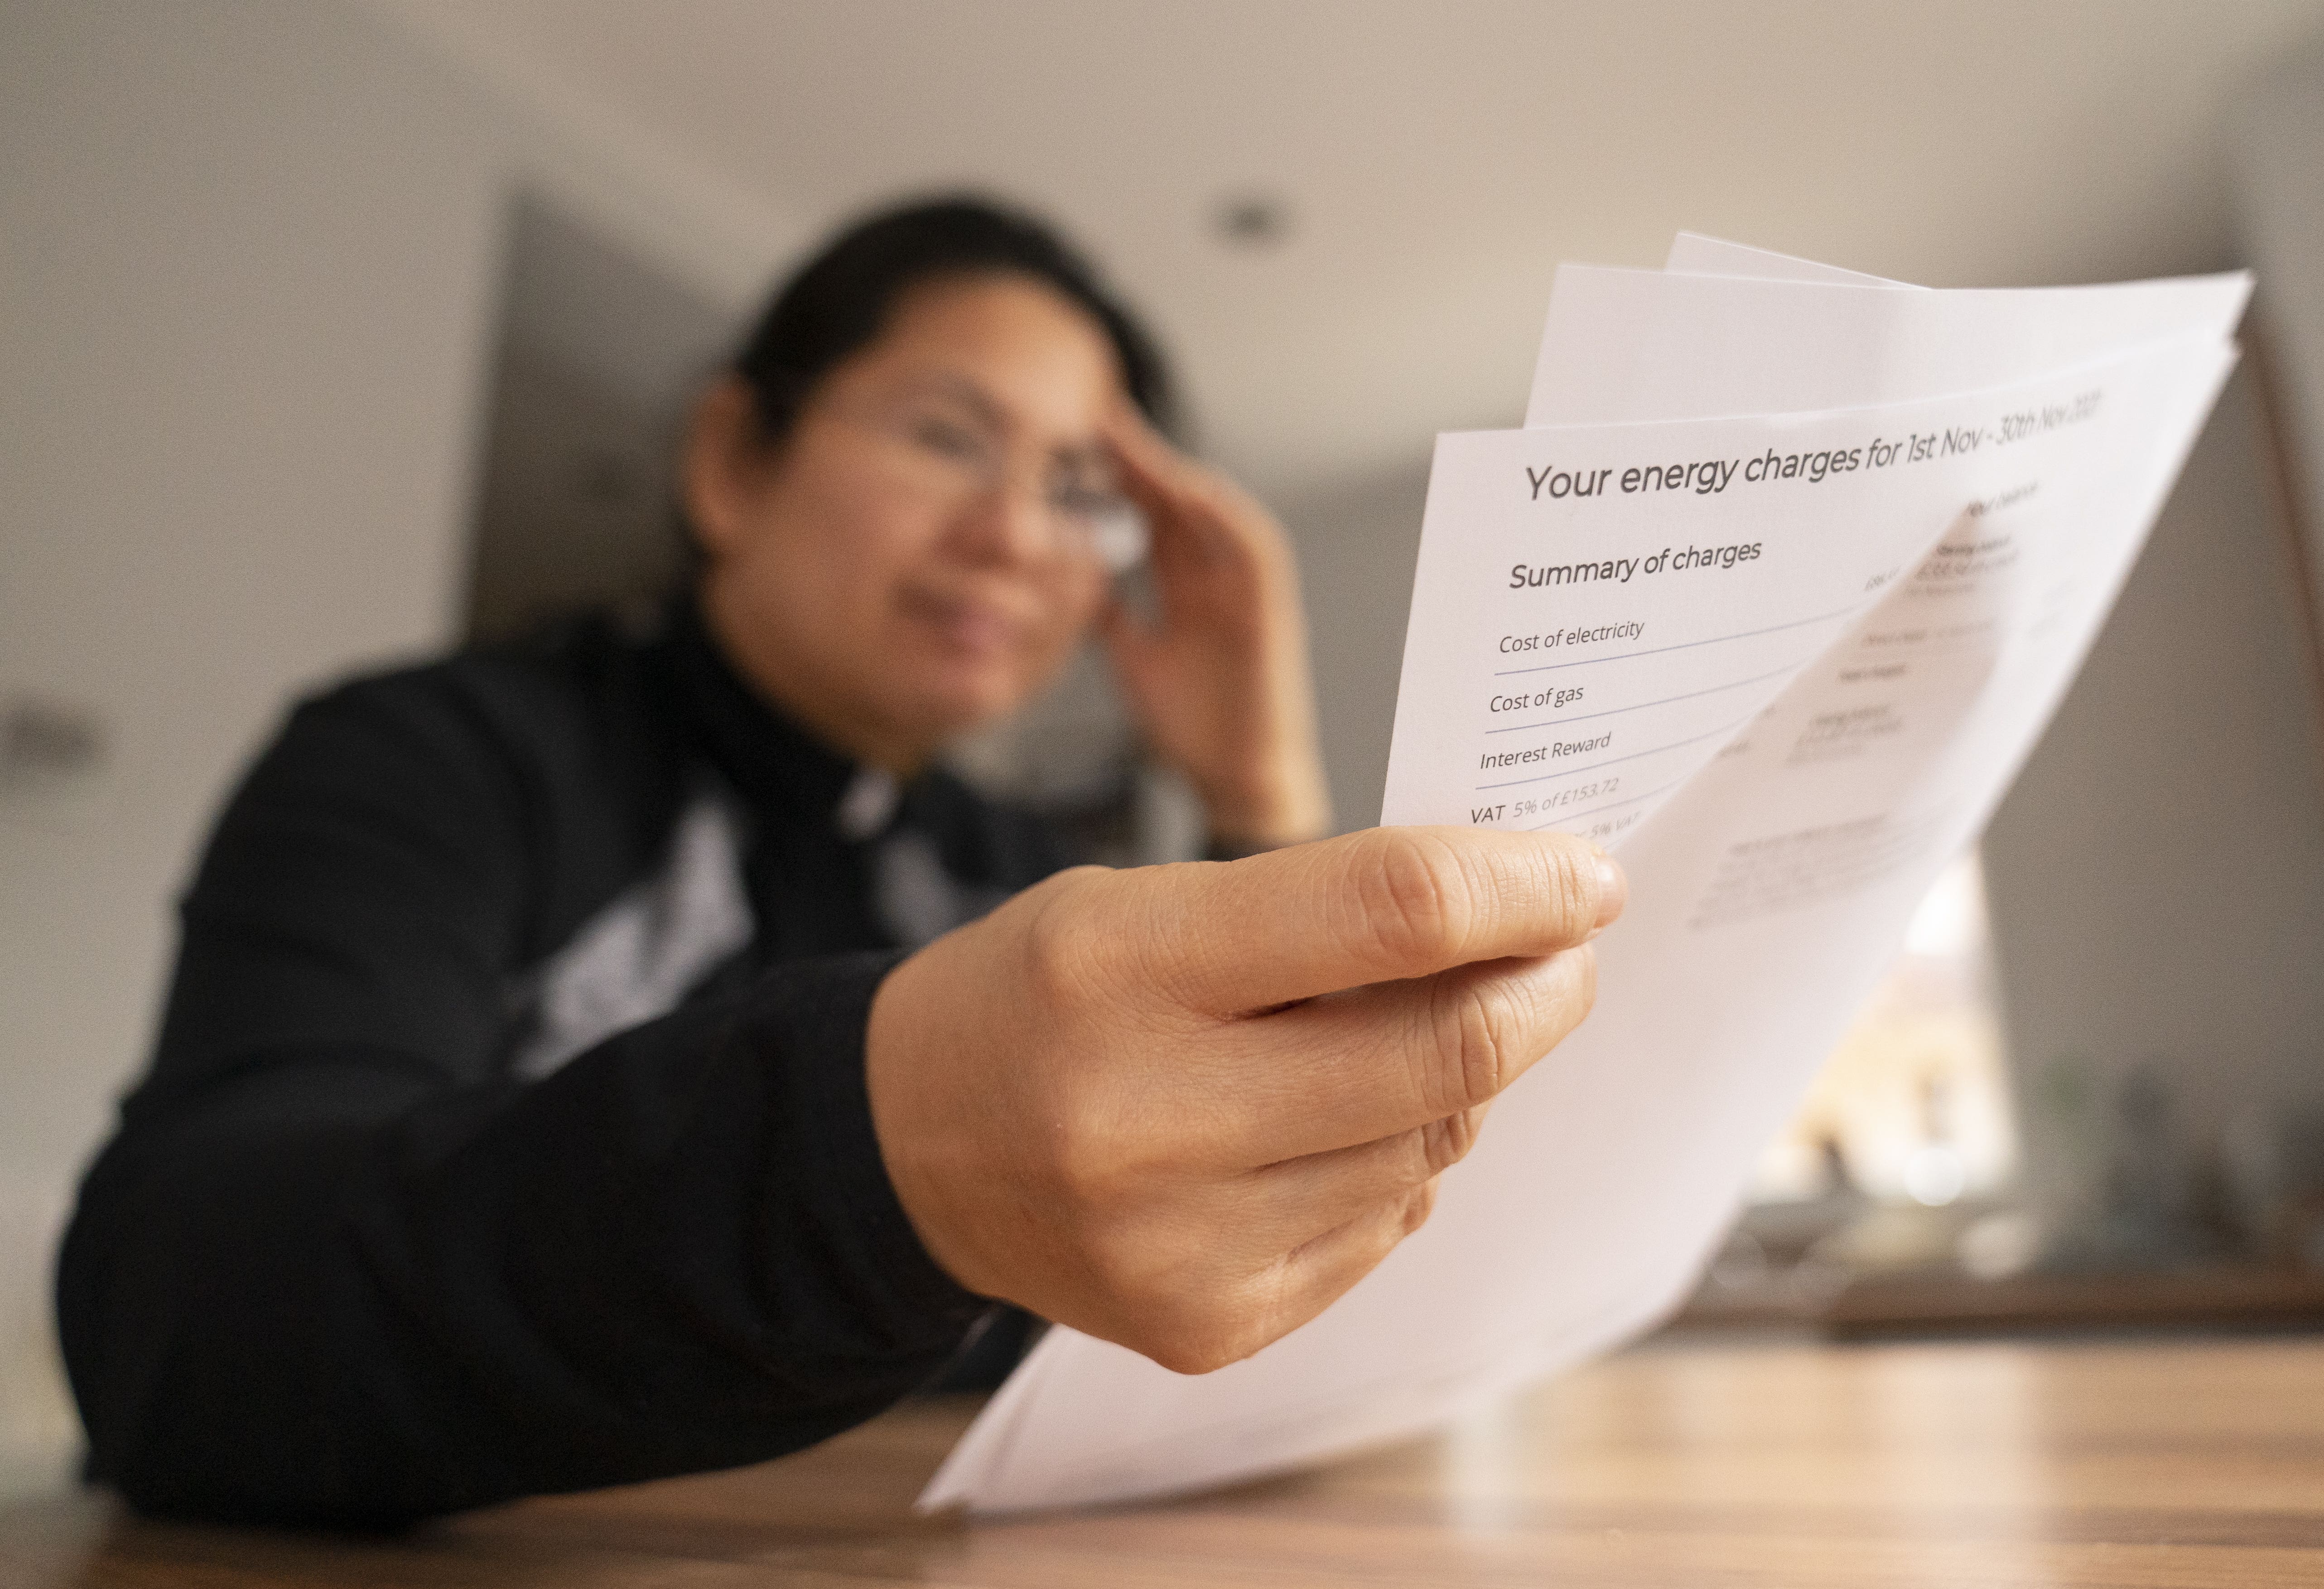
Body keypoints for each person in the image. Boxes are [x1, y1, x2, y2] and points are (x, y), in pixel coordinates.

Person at [56, 198, 1625, 1526]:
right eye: (951, 436)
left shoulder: (1017, 867)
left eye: (1082, 491)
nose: (1017, 532)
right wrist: (888, 1139)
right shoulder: (437, 759)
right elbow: (180, 1317)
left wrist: (1257, 787)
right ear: (736, 458)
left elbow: (1253, 1307)